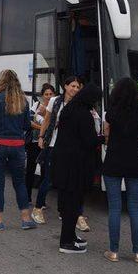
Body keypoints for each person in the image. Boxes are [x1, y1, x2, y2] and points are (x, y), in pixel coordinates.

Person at [0, 69, 36, 231]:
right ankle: (26, 219)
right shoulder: (23, 101)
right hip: (18, 146)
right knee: (19, 182)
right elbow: (27, 125)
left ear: (2, 81)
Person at [52, 83, 103, 254]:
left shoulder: (69, 109)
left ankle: (70, 236)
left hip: (64, 163)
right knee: (73, 204)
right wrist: (103, 138)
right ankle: (66, 241)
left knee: (68, 203)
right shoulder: (84, 115)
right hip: (76, 166)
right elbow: (89, 141)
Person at [102, 78, 138, 263]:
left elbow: (106, 136)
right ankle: (137, 252)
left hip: (113, 162)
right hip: (134, 163)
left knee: (114, 207)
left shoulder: (110, 113)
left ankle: (113, 251)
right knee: (135, 208)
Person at [34, 77, 82, 224]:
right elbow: (47, 120)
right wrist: (41, 137)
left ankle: (64, 211)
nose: (75, 89)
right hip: (54, 145)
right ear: (65, 86)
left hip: (70, 148)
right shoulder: (55, 101)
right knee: (48, 179)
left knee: (66, 180)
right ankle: (37, 208)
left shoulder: (79, 104)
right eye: (72, 86)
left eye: (77, 87)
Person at [26, 83, 55, 218]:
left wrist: (43, 128)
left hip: (47, 145)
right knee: (30, 169)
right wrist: (42, 129)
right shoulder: (36, 105)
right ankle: (27, 197)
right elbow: (29, 121)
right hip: (34, 142)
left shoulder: (55, 108)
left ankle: (41, 201)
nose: (49, 96)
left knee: (45, 173)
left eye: (51, 94)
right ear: (42, 96)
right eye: (46, 94)